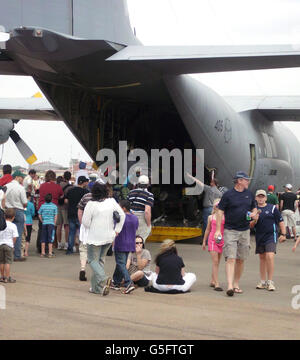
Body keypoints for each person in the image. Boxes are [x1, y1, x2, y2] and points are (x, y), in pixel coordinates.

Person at [215, 171, 257, 297]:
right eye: (246, 180)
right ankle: (229, 285)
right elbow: (220, 211)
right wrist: (218, 229)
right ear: (239, 181)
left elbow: (253, 207)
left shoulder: (249, 194)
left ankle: (236, 283)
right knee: (231, 258)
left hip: (245, 230)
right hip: (230, 231)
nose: (248, 182)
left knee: (241, 259)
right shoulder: (228, 195)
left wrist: (254, 213)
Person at [82, 182, 125, 296]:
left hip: (95, 237)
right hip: (109, 236)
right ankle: (96, 288)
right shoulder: (111, 201)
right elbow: (122, 215)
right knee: (100, 260)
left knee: (92, 260)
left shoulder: (91, 204)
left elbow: (85, 222)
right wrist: (117, 230)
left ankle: (104, 279)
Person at [250, 190, 286, 291]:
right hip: (259, 236)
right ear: (256, 198)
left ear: (266, 198)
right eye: (259, 197)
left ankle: (270, 282)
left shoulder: (272, 208)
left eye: (262, 197)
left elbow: (280, 221)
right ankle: (262, 281)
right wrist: (255, 219)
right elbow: (250, 225)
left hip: (271, 235)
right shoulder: (253, 210)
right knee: (262, 258)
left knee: (269, 256)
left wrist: (283, 234)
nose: (261, 198)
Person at [111, 200, 138, 294]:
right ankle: (116, 282)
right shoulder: (135, 218)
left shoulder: (120, 217)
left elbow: (114, 229)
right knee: (121, 263)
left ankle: (128, 282)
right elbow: (136, 228)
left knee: (120, 263)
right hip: (130, 243)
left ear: (123, 208)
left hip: (120, 242)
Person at [37, 170, 63, 253]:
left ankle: (40, 247)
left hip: (42, 208)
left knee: (41, 228)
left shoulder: (42, 186)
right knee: (50, 230)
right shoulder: (57, 187)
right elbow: (61, 195)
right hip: (52, 209)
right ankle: (48, 249)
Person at [202, 198, 224, 291]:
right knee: (215, 261)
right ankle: (217, 283)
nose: (217, 206)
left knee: (217, 262)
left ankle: (212, 279)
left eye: (219, 205)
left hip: (222, 240)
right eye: (216, 205)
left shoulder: (224, 216)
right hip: (212, 240)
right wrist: (204, 241)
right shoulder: (211, 217)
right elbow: (207, 229)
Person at [5, 170, 28, 261]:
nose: (23, 179)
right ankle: (17, 255)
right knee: (17, 233)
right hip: (18, 211)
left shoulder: (6, 186)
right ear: (17, 177)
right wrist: (23, 206)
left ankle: (6, 255)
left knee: (6, 233)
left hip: (7, 210)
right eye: (21, 177)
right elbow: (25, 202)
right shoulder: (20, 188)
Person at [65, 176, 89, 255]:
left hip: (71, 213)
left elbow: (66, 201)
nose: (87, 183)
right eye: (86, 181)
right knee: (82, 232)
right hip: (81, 214)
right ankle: (82, 249)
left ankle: (70, 249)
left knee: (71, 232)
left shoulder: (71, 190)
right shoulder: (85, 192)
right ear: (82, 182)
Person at [127, 175, 154, 244]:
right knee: (140, 242)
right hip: (142, 219)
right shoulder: (149, 195)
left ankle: (131, 254)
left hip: (130, 217)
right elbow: (147, 211)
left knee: (131, 240)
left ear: (138, 183)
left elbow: (127, 207)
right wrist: (148, 224)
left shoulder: (130, 193)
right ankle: (138, 254)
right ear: (148, 184)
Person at [0, 208, 18, 283]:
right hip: (9, 245)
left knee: (1, 261)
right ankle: (7, 277)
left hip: (1, 244)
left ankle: (2, 276)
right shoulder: (13, 226)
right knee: (7, 262)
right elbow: (15, 237)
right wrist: (12, 244)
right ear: (13, 217)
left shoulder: (1, 224)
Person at [56, 171, 73, 250]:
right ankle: (66, 243)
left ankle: (59, 243)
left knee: (59, 226)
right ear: (70, 177)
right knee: (66, 226)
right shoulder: (70, 187)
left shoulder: (58, 185)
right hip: (66, 207)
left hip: (58, 206)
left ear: (63, 177)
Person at [38, 193, 57, 258]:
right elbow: (55, 216)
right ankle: (50, 253)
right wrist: (54, 222)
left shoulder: (42, 206)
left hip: (44, 223)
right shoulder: (54, 206)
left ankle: (43, 253)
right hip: (51, 223)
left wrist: (42, 220)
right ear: (51, 199)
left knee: (43, 238)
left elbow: (39, 214)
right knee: (50, 238)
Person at [24, 192, 35, 257]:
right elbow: (33, 213)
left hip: (22, 221)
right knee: (28, 237)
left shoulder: (21, 204)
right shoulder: (31, 204)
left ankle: (21, 251)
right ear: (29, 197)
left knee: (22, 236)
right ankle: (26, 252)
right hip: (29, 221)